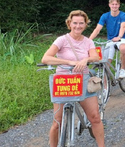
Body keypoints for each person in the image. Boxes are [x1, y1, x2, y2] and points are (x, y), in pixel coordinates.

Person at [42, 10, 105, 147]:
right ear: (69, 23)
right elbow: (46, 58)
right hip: (63, 82)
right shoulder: (62, 40)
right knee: (57, 121)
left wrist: (86, 59)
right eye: (75, 23)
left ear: (85, 24)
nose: (78, 26)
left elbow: (96, 57)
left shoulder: (88, 42)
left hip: (83, 80)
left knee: (95, 117)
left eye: (81, 23)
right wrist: (69, 62)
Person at [89, 0, 125, 78]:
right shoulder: (105, 16)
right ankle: (106, 80)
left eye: (116, 4)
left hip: (122, 38)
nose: (114, 6)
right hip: (110, 40)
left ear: (119, 5)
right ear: (109, 5)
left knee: (123, 48)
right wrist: (89, 40)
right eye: (113, 4)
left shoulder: (123, 15)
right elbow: (97, 29)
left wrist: (119, 37)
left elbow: (123, 27)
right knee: (106, 60)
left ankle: (122, 69)